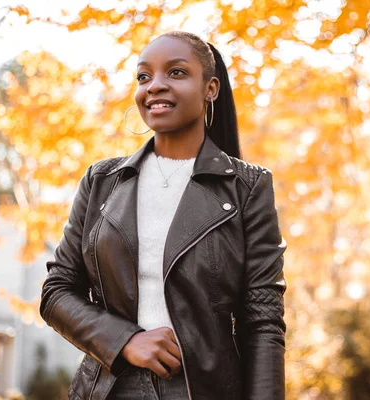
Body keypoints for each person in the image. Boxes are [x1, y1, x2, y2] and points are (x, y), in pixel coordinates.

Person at [39, 31, 287, 400]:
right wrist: (125, 340)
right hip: (109, 389)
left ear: (211, 89)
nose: (154, 86)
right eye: (144, 76)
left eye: (175, 73)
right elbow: (57, 292)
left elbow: (262, 320)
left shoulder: (248, 187)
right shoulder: (101, 181)